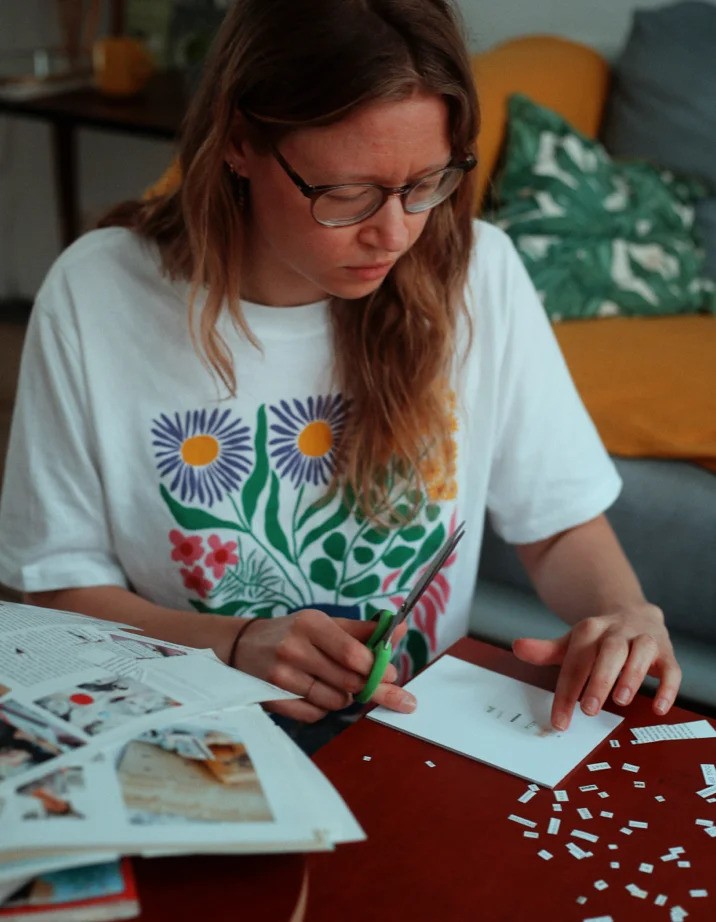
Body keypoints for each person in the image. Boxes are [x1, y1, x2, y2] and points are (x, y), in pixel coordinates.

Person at [0, 0, 680, 750]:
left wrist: (625, 612)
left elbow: (557, 525)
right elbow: (54, 590)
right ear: (239, 143)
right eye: (347, 193)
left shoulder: (478, 274)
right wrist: (234, 642)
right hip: (196, 740)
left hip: (411, 742)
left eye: (425, 183)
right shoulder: (97, 294)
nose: (394, 233)